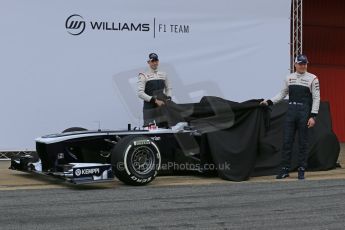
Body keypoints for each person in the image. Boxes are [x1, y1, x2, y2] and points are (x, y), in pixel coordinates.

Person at [260, 54, 320, 180]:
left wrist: (313, 116)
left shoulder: (313, 78)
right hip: (291, 111)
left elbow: (316, 98)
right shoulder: (289, 78)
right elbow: (282, 93)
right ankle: (284, 169)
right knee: (287, 141)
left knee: (303, 142)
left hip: (304, 112)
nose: (303, 66)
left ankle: (302, 169)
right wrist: (269, 102)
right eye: (300, 63)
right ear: (295, 64)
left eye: (305, 64)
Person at [137, 53, 172, 126]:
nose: (155, 63)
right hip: (149, 108)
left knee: (165, 129)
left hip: (161, 107)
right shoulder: (143, 75)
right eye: (152, 61)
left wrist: (168, 99)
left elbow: (169, 88)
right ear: (148, 62)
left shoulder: (164, 74)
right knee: (149, 130)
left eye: (156, 60)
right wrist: (155, 100)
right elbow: (140, 93)